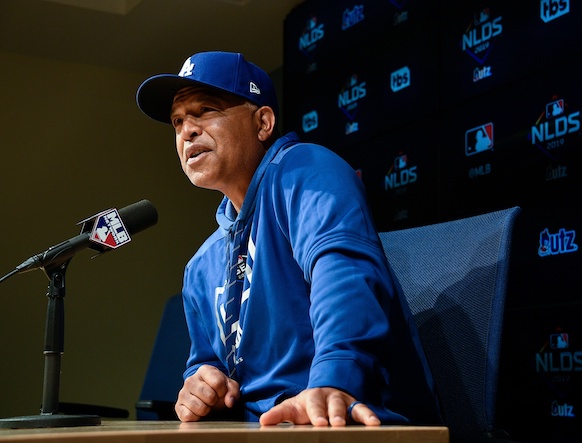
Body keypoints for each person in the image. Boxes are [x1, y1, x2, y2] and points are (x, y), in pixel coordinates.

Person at [135, 51, 442, 427]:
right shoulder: (201, 266)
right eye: (178, 121)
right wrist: (200, 387)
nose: (187, 130)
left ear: (263, 122)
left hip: (342, 421)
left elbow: (342, 272)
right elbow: (208, 362)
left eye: (206, 110)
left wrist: (334, 380)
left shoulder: (306, 171)